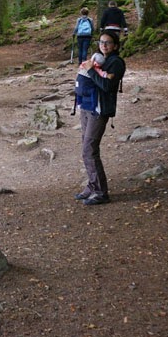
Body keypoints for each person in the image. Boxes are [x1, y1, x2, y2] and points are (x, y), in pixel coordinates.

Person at [73, 29, 125, 206]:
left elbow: (107, 85)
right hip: (87, 106)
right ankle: (92, 185)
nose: (104, 45)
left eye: (108, 42)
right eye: (101, 42)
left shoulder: (116, 63)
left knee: (90, 149)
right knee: (86, 148)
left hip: (99, 110)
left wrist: (91, 70)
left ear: (115, 46)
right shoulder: (98, 59)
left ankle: (101, 192)